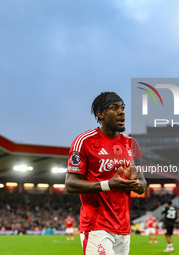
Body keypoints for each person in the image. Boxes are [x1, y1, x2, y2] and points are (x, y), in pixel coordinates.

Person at [65, 91, 147, 255]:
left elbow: (143, 184)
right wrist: (108, 184)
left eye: (123, 107)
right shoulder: (85, 141)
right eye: (114, 108)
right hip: (96, 226)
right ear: (100, 114)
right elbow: (70, 184)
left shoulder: (131, 144)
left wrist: (136, 185)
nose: (121, 111)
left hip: (123, 228)